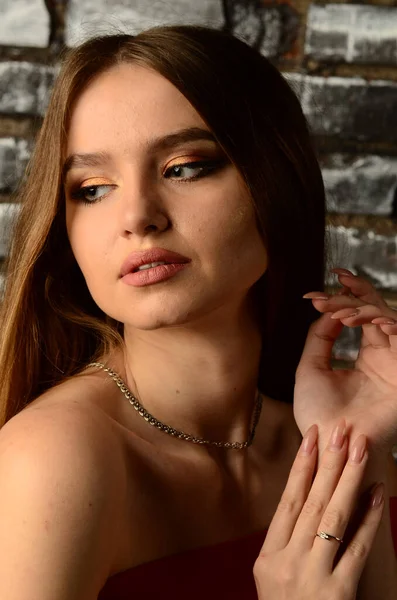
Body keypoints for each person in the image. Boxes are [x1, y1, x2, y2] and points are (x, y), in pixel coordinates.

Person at [0, 25, 395, 599]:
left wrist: (356, 451)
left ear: (275, 182)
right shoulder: (56, 459)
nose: (137, 215)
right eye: (92, 188)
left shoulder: (320, 436)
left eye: (184, 167)